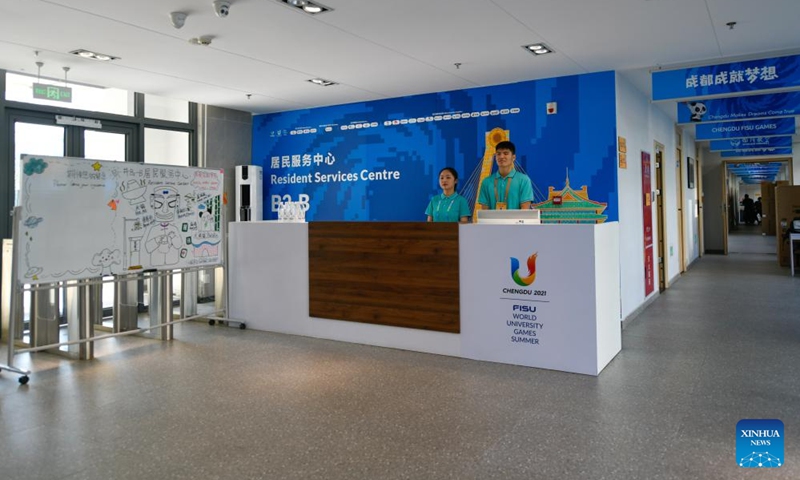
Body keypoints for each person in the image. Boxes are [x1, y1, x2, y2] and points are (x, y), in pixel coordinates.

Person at [478, 141, 533, 210]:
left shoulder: (524, 180)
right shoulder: (486, 182)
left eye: (506, 153)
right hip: (492, 221)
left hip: (516, 221)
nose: (501, 156)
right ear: (495, 157)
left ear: (513, 157)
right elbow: (484, 213)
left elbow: (525, 210)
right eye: (498, 154)